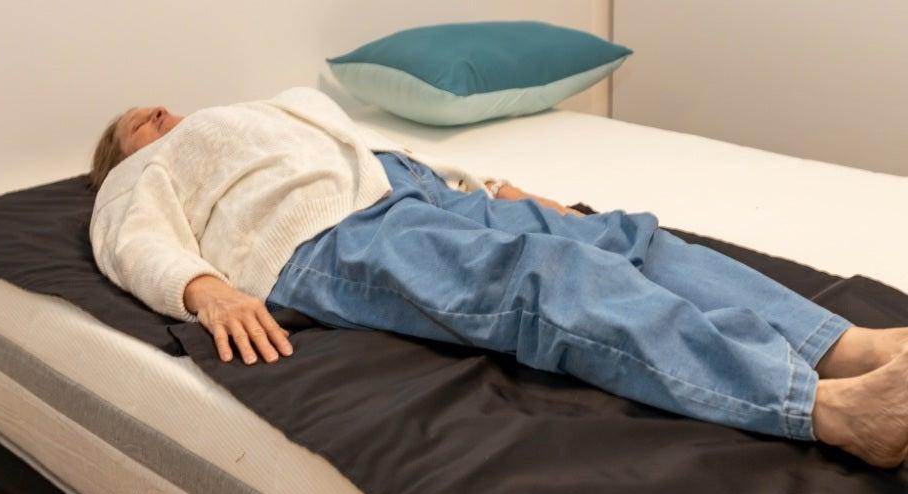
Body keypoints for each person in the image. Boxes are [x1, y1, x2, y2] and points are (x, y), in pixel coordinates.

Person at [89, 87, 908, 468]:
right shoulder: (144, 174)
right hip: (322, 237)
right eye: (137, 122)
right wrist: (208, 290)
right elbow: (133, 241)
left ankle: (844, 346)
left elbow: (377, 157)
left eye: (159, 108)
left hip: (408, 192)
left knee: (628, 239)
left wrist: (489, 189)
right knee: (545, 280)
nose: (156, 114)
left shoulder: (267, 114)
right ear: (123, 154)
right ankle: (822, 409)